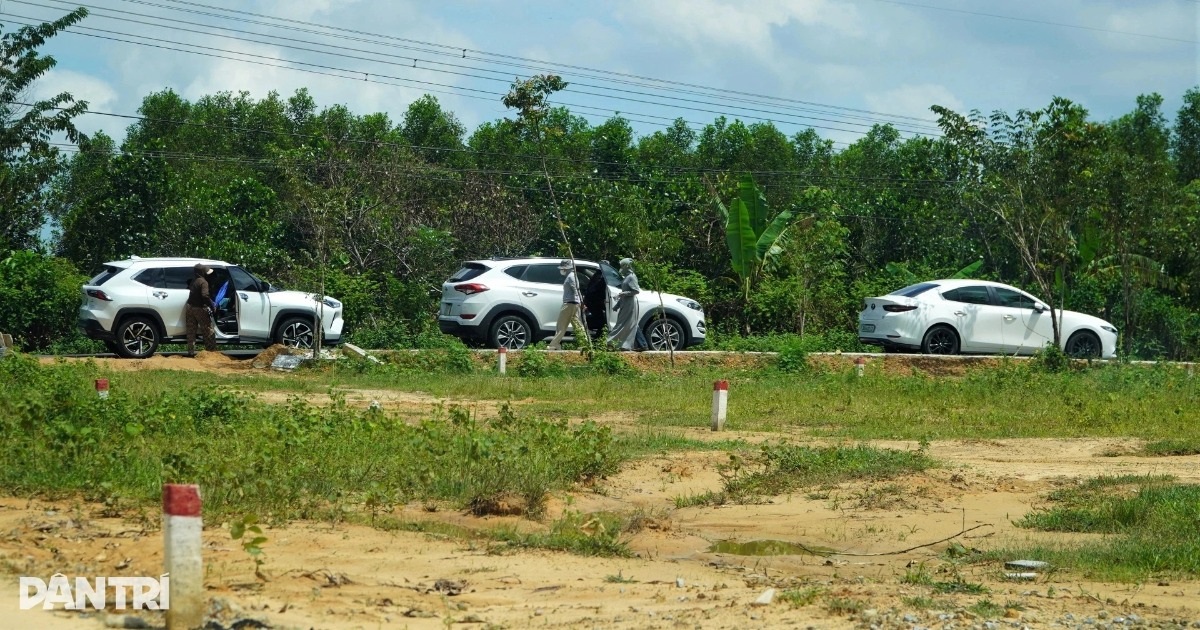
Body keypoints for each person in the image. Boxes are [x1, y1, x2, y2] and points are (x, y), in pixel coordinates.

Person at [546, 259, 584, 350]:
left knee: (561, 325)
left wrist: (581, 301)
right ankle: (584, 344)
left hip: (569, 304)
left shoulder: (571, 277)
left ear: (565, 269)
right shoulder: (572, 276)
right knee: (578, 325)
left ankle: (554, 344)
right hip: (574, 304)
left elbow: (576, 290)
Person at [608, 258, 641, 351]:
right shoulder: (626, 277)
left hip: (630, 303)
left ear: (626, 266)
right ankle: (622, 345)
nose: (621, 268)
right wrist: (617, 305)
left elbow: (636, 291)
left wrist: (623, 294)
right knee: (624, 323)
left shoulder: (632, 277)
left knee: (623, 324)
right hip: (624, 303)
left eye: (622, 266)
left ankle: (610, 342)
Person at [185, 263, 217, 357]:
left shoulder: (194, 281)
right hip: (199, 308)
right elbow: (205, 295)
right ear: (202, 272)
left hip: (190, 307)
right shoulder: (203, 282)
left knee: (191, 331)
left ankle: (191, 352)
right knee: (208, 329)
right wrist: (212, 305)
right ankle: (211, 352)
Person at [582, 261, 611, 341]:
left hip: (593, 301)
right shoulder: (601, 277)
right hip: (595, 302)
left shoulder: (597, 275)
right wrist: (602, 300)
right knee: (602, 321)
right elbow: (594, 290)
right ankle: (599, 338)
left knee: (601, 320)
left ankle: (598, 336)